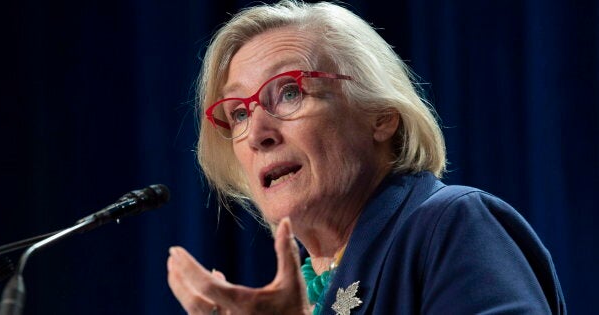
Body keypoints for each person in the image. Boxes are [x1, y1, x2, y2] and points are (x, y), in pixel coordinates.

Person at [166, 1, 566, 314]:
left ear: (381, 117)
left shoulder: (453, 225)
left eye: (289, 92)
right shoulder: (305, 292)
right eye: (239, 113)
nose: (257, 134)